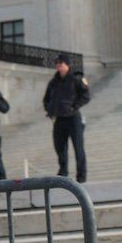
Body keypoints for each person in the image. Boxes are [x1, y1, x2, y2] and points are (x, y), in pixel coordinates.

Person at [43, 54, 90, 183]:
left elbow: (86, 95)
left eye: (61, 63)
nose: (59, 65)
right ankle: (63, 172)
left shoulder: (76, 78)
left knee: (78, 148)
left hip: (73, 118)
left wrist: (74, 107)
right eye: (57, 63)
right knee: (59, 147)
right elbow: (46, 99)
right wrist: (49, 110)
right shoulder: (53, 82)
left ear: (67, 65)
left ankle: (81, 176)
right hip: (59, 119)